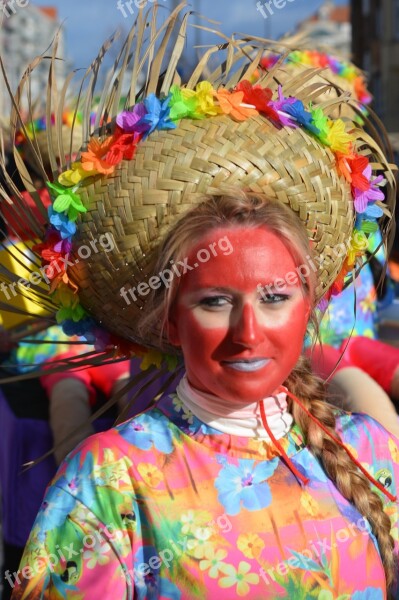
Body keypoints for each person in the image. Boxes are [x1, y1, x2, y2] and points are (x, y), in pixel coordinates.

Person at [1, 4, 398, 597]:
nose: (248, 333)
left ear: (311, 301)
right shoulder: (108, 479)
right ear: (167, 317)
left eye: (275, 297)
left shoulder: (372, 450)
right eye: (214, 301)